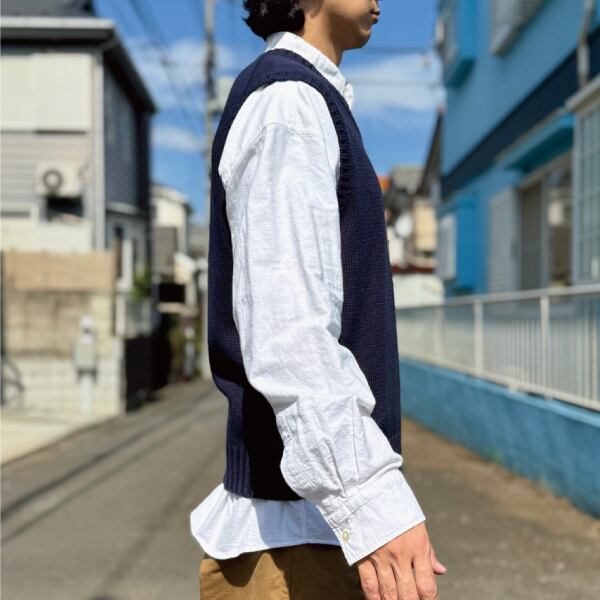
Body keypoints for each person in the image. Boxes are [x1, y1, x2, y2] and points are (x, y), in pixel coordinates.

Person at [190, 1, 447, 598]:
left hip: (307, 534)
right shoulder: (289, 104)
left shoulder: (306, 100)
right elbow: (290, 334)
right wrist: (372, 501)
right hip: (294, 546)